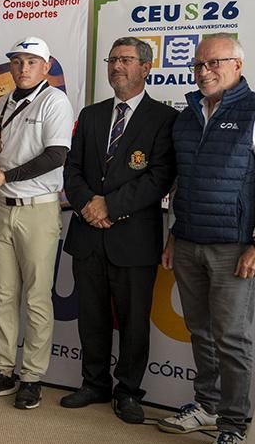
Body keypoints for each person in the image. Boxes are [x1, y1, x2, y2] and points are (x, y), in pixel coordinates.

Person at [158, 33, 255, 444]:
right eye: (199, 64)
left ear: (237, 64)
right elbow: (184, 183)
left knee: (231, 337)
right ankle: (207, 406)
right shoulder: (187, 116)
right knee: (200, 331)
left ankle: (234, 426)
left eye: (214, 63)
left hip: (236, 246)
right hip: (190, 241)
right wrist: (175, 234)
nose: (204, 71)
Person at [61, 38, 177, 423]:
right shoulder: (91, 115)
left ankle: (128, 391)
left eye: (126, 60)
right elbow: (71, 170)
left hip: (134, 238)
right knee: (90, 315)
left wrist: (109, 205)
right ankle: (94, 383)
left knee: (133, 321)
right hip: (88, 234)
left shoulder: (164, 119)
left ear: (146, 68)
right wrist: (88, 206)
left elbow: (160, 176)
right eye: (113, 60)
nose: (116, 67)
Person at [0, 37, 72, 411]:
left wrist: (5, 175)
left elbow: (56, 155)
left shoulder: (55, 101)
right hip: (1, 207)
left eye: (31, 61)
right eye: (17, 61)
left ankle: (32, 376)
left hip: (38, 209)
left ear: (45, 67)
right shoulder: (3, 103)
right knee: (3, 294)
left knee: (37, 297)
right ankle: (2, 370)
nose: (23, 68)